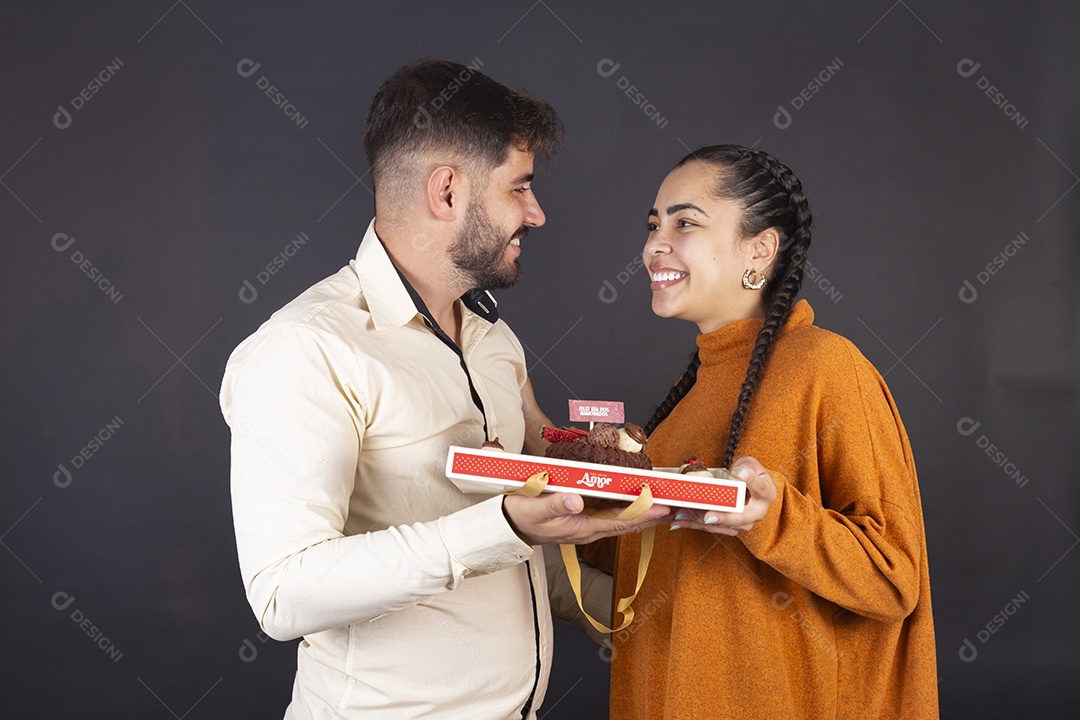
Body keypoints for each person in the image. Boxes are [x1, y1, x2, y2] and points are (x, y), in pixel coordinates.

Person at [219, 59, 668, 719]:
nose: (536, 214)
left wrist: (665, 624)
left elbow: (526, 555)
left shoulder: (492, 339)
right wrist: (505, 522)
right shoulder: (303, 349)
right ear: (448, 192)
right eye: (520, 187)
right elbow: (284, 594)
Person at [585, 144, 938, 718]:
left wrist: (772, 517)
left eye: (685, 222)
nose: (654, 245)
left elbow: (893, 578)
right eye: (653, 224)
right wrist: (590, 487)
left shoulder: (827, 366)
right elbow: (649, 578)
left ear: (761, 249)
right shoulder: (686, 399)